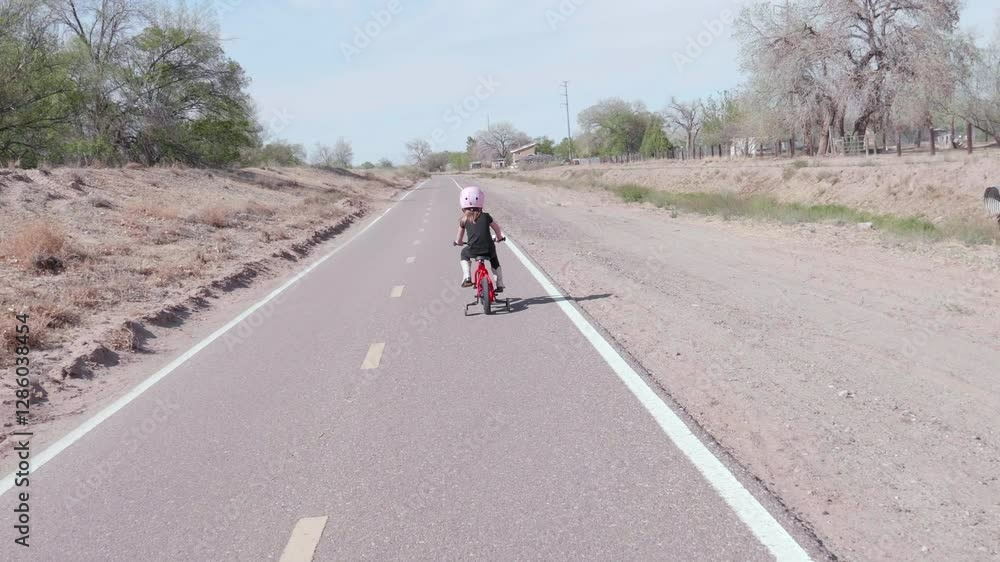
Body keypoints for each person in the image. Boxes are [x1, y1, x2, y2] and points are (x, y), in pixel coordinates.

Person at [453, 186, 505, 293]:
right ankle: (499, 283)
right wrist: (499, 238)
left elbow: (459, 239)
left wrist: (458, 242)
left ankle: (467, 277)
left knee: (464, 253)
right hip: (488, 249)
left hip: (473, 250)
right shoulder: (486, 216)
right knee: (494, 258)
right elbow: (497, 229)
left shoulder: (464, 219)